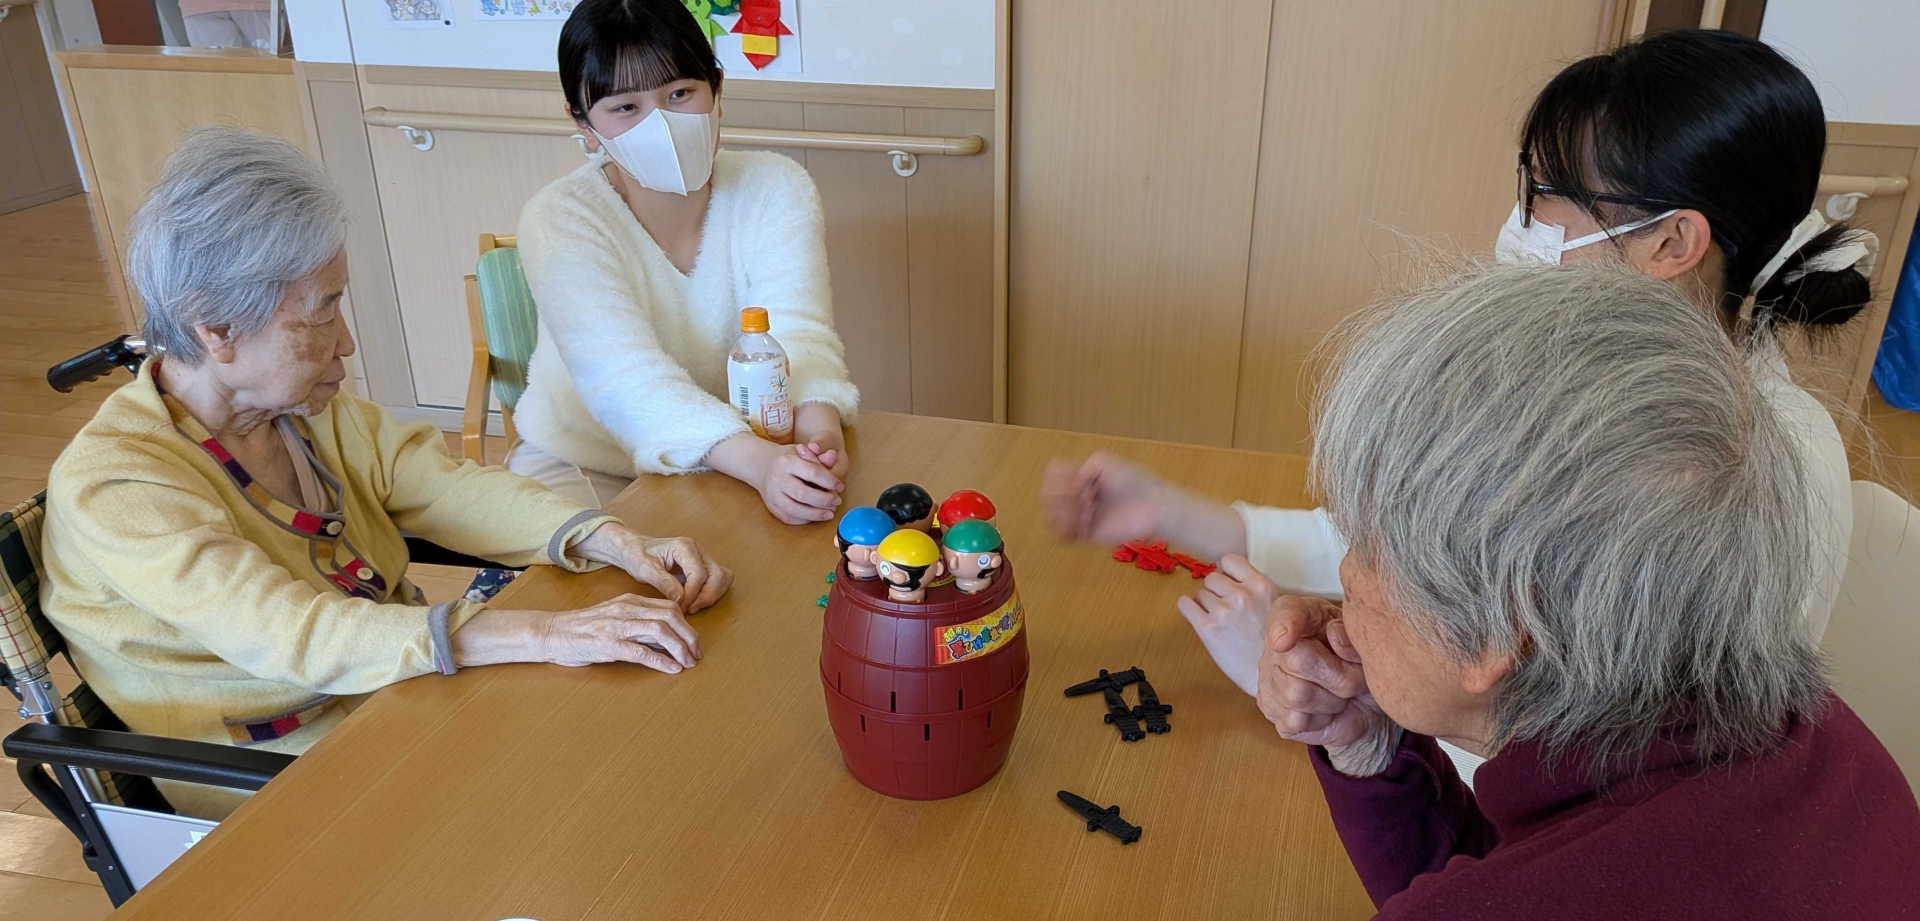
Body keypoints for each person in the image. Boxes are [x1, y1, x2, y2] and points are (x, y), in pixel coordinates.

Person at [1041, 29, 1870, 709]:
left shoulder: (1731, 468)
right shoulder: (1587, 372)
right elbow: (1405, 552)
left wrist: (1320, 689)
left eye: (1545, 193)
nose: (1521, 221)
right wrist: (1169, 511)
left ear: (1672, 242)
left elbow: (1562, 754)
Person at [40, 128, 733, 819]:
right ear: (216, 328)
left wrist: (611, 538)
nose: (345, 341)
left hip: (398, 691)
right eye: (322, 312)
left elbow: (445, 486)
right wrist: (546, 633)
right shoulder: (118, 486)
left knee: (629, 732)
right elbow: (289, 632)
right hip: (278, 774)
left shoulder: (299, 411)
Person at [1266, 263, 1920, 916]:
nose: (1347, 574)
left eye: (1370, 543)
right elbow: (1514, 876)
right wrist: (1372, 746)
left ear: (1499, 634)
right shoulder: (1818, 739)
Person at [508, 0, 859, 523]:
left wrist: (818, 436)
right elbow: (626, 382)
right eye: (625, 108)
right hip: (589, 459)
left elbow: (800, 335)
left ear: (717, 88)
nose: (662, 124)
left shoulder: (776, 186)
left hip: (746, 453)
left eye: (679, 94)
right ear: (582, 122)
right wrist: (759, 463)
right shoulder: (559, 218)